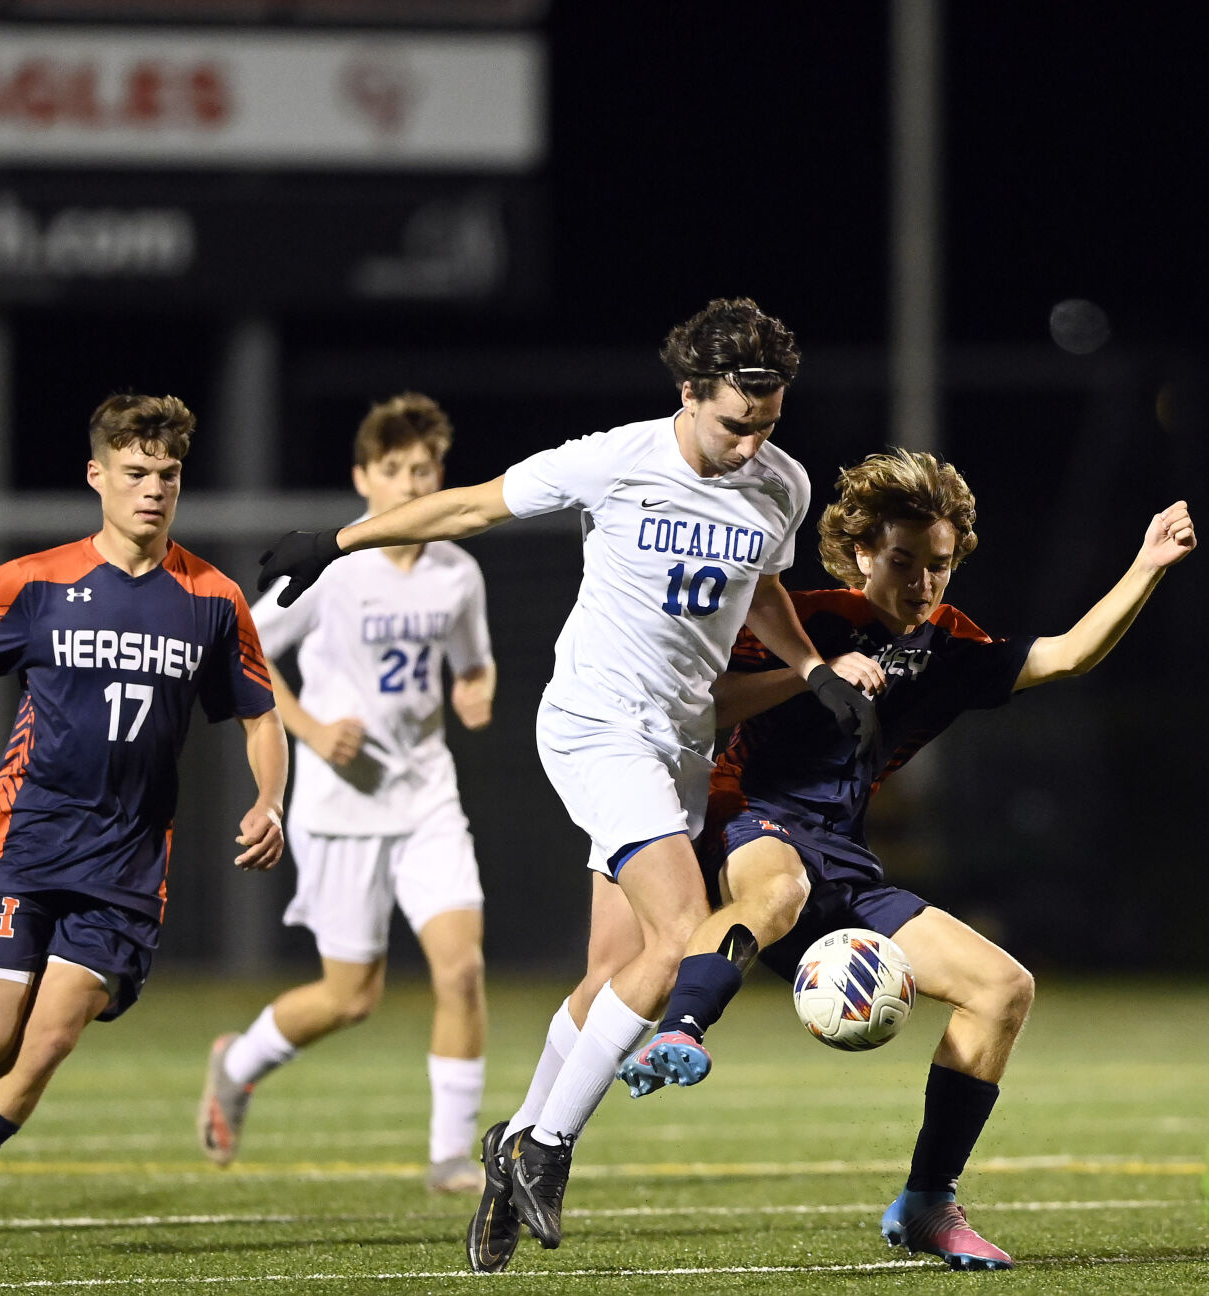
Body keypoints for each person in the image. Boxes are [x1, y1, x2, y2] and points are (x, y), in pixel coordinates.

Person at [255, 298, 877, 1270]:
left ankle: (512, 1140)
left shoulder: (780, 483)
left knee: (611, 970)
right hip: (595, 725)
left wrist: (810, 672)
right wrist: (334, 544)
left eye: (768, 422)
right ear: (687, 394)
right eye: (733, 423)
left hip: (678, 742)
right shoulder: (616, 458)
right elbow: (468, 504)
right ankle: (546, 1146)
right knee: (679, 937)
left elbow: (763, 587)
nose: (752, 441)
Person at [616, 449, 1197, 1271]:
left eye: (939, 565)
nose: (923, 583)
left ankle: (927, 1201)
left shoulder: (949, 646)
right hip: (748, 820)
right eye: (902, 562)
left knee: (1001, 989)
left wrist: (1146, 565)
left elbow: (1065, 655)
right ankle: (680, 1029)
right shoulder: (804, 617)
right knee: (775, 891)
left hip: (843, 860)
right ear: (860, 555)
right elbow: (700, 706)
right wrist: (810, 676)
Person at [0, 393, 287, 1262]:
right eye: (136, 473)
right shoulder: (36, 580)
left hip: (125, 862)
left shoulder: (213, 598)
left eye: (169, 476)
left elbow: (260, 716)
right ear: (98, 476)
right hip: (22, 841)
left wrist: (269, 800)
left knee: (40, 1052)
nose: (153, 490)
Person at [198, 394, 497, 1193]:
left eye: (423, 470)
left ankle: (447, 1158)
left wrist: (475, 689)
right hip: (340, 810)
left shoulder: (456, 571)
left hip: (427, 798)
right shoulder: (334, 570)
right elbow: (246, 656)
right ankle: (239, 1059)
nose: (408, 483)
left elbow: (473, 664)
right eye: (393, 469)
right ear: (363, 477)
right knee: (348, 996)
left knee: (460, 969)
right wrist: (307, 725)